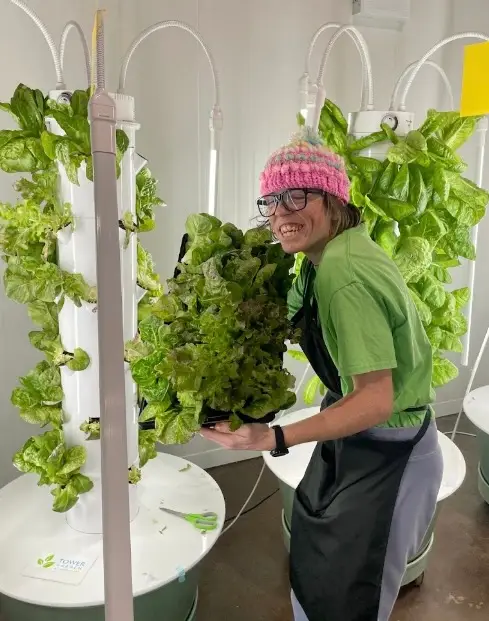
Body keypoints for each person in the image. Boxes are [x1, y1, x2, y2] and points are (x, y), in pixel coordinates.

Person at [201, 127, 444, 621]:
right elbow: (290, 318)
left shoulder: (344, 274)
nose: (280, 213)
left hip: (390, 455)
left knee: (348, 601)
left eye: (297, 194)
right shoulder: (323, 261)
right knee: (318, 574)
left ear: (334, 198)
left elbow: (375, 400)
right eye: (271, 199)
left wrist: (271, 436)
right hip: (358, 442)